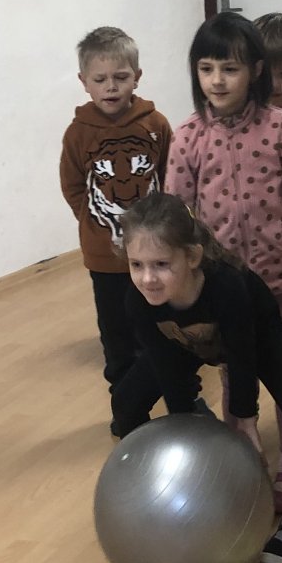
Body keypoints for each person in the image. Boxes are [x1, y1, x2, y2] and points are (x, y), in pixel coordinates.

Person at [167, 13, 282, 498]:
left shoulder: (279, 128)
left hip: (280, 285)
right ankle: (243, 466)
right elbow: (176, 219)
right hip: (226, 291)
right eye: (207, 68)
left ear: (255, 70)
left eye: (230, 69)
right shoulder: (188, 136)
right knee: (237, 381)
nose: (217, 80)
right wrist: (187, 285)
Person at [121, 192, 282, 563]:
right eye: (137, 265)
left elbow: (242, 356)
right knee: (125, 403)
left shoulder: (227, 285)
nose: (147, 278)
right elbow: (167, 368)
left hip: (256, 338)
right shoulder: (138, 301)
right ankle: (150, 496)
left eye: (161, 264)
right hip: (185, 345)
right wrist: (187, 423)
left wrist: (245, 419)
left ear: (192, 257)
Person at [59, 26, 173, 429]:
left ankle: (181, 399)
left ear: (137, 77)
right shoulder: (78, 133)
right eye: (100, 79)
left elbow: (170, 176)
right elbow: (73, 185)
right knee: (117, 336)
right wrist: (92, 224)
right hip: (105, 258)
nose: (111, 86)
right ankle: (126, 409)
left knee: (162, 330)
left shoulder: (155, 123)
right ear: (84, 82)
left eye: (121, 77)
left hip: (156, 253)